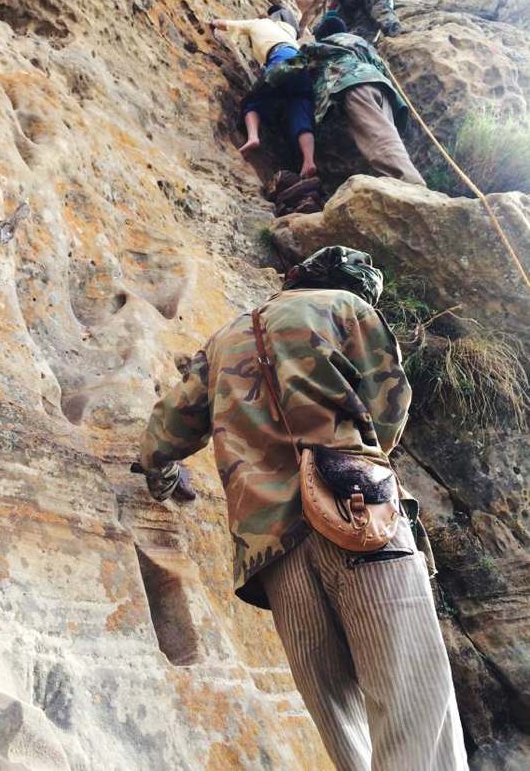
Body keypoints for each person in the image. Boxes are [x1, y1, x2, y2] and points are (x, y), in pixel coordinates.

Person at [137, 246, 468, 771]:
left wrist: (160, 470)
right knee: (413, 704)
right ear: (358, 287)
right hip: (358, 517)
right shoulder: (348, 308)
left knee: (340, 721)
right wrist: (354, 455)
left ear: (293, 279)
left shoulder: (225, 339)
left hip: (271, 548)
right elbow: (388, 406)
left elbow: (170, 426)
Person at [257, 15, 425, 185]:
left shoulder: (323, 45)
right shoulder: (363, 45)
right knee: (387, 135)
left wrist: (264, 80)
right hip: (383, 88)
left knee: (379, 139)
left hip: (354, 83)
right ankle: (404, 181)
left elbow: (291, 65)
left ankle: (408, 183)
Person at [210, 5, 317, 178]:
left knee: (254, 102)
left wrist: (213, 21)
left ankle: (253, 136)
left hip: (279, 60)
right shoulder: (291, 36)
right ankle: (309, 160)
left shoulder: (260, 23)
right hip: (301, 63)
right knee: (299, 109)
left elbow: (227, 24)